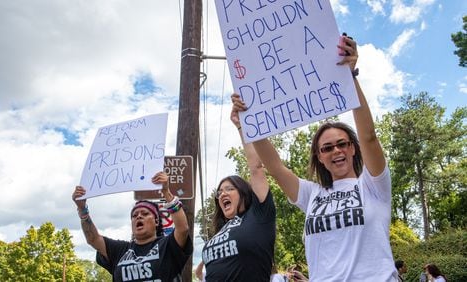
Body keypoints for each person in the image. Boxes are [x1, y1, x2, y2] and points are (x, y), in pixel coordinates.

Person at [232, 35, 397, 280]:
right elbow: (275, 167)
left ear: (353, 148)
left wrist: (350, 77)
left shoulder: (373, 186)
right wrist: (248, 123)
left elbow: (370, 136)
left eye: (342, 144)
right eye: (327, 148)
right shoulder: (311, 194)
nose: (336, 151)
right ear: (319, 157)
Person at [200, 105, 276, 281]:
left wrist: (242, 126)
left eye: (229, 189)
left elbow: (256, 167)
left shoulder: (259, 215)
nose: (223, 194)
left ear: (243, 192)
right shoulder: (220, 230)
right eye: (219, 193)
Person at [72, 171, 193, 281]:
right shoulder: (120, 250)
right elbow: (93, 239)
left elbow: (183, 229)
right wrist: (82, 209)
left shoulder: (167, 246)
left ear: (156, 222)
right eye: (134, 216)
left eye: (145, 214)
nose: (139, 217)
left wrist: (166, 192)